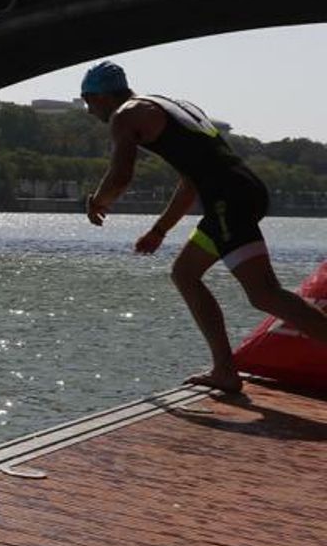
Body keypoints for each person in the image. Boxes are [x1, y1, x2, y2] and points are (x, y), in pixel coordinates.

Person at [81, 60, 327, 394]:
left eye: (88, 101)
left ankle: (226, 370)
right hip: (240, 191)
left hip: (229, 199)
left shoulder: (125, 115)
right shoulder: (170, 106)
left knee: (264, 292)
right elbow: (190, 184)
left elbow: (121, 174)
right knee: (185, 273)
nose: (89, 111)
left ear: (101, 96)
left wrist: (98, 200)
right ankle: (224, 370)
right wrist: (159, 231)